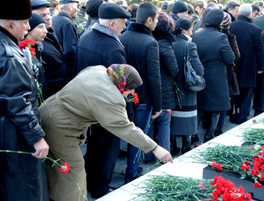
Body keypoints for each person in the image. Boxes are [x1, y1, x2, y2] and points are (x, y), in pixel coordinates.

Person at [39, 64, 173, 201]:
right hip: (60, 128)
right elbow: (125, 127)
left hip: (48, 110)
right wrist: (155, 148)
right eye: (131, 88)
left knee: (56, 167)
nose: (132, 93)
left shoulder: (99, 70)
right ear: (121, 85)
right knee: (73, 171)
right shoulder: (111, 96)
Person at [76, 3, 131, 198]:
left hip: (86, 103)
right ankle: (101, 189)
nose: (124, 27)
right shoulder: (114, 47)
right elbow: (120, 84)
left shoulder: (87, 36)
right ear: (112, 24)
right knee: (107, 149)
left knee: (93, 145)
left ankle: (91, 181)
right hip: (106, 107)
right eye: (122, 23)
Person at [0, 1, 49, 201]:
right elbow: (17, 101)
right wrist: (37, 138)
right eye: (25, 23)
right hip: (13, 134)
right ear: (10, 25)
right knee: (25, 187)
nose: (28, 27)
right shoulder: (9, 54)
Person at [119, 2, 162, 183]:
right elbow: (154, 76)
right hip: (143, 97)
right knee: (139, 136)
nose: (157, 22)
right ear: (149, 19)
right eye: (157, 18)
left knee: (127, 132)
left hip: (123, 94)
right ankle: (132, 171)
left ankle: (131, 168)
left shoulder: (122, 36)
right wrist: (158, 105)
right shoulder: (150, 42)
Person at [192, 9, 235, 142]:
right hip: (217, 78)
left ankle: (193, 134)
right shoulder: (221, 37)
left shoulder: (197, 34)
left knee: (199, 106)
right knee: (216, 108)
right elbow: (230, 58)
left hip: (200, 75)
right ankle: (209, 134)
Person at [144, 12, 179, 162]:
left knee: (149, 122)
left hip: (148, 89)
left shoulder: (149, 40)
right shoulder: (164, 44)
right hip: (164, 89)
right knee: (164, 122)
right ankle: (165, 157)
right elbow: (173, 69)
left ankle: (148, 154)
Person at [171, 18, 204, 154]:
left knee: (172, 115)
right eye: (191, 29)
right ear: (184, 30)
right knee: (187, 116)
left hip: (172, 85)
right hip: (186, 85)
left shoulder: (168, 42)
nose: (192, 33)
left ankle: (172, 145)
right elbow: (199, 70)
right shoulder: (189, 45)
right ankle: (186, 144)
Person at [230, 3, 264, 124]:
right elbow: (260, 50)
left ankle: (235, 113)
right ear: (250, 14)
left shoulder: (230, 26)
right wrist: (261, 66)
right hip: (249, 65)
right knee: (247, 92)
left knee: (235, 89)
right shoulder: (254, 29)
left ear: (238, 13)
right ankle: (242, 117)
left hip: (233, 64)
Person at [31, 0, 69, 99]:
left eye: (48, 14)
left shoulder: (48, 34)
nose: (48, 18)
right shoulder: (31, 43)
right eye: (42, 15)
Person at [52, 0, 79, 81]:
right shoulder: (67, 23)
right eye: (76, 7)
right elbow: (70, 52)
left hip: (57, 69)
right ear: (70, 7)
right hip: (66, 73)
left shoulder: (54, 19)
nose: (78, 10)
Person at [25, 13, 48, 98]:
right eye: (40, 27)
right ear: (29, 29)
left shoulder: (39, 47)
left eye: (45, 27)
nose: (45, 31)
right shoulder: (24, 51)